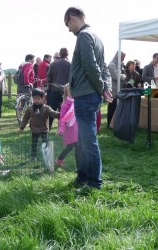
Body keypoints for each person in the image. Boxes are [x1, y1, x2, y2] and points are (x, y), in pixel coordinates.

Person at [64, 7, 113, 189]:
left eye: (68, 24)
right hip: (89, 94)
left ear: (73, 18)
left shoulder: (84, 36)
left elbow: (91, 66)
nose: (69, 29)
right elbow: (104, 68)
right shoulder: (96, 37)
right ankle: (83, 177)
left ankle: (94, 182)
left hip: (86, 95)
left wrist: (102, 88)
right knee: (83, 141)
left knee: (88, 141)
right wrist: (105, 87)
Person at [18, 88, 59, 160]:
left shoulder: (47, 108)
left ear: (43, 98)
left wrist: (62, 114)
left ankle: (46, 156)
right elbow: (25, 118)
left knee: (45, 143)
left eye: (38, 98)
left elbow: (54, 114)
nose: (36, 100)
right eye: (34, 99)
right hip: (34, 129)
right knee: (34, 144)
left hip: (44, 129)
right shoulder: (30, 109)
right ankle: (33, 156)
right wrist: (22, 127)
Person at [47, 47, 71, 129]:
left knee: (51, 110)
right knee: (65, 110)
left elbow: (49, 77)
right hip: (66, 91)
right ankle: (64, 128)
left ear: (59, 54)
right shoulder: (70, 64)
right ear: (67, 54)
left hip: (54, 90)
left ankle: (48, 127)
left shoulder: (53, 64)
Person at [56, 84, 78, 167]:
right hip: (70, 129)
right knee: (74, 147)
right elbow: (62, 118)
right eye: (70, 91)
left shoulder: (79, 103)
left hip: (78, 128)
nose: (73, 93)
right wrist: (61, 129)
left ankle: (59, 159)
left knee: (72, 147)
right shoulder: (66, 104)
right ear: (66, 93)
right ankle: (79, 166)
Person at [107, 51, 126, 128]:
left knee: (116, 107)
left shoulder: (120, 64)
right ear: (118, 56)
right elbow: (116, 76)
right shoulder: (112, 65)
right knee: (112, 107)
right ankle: (110, 123)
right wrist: (123, 76)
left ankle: (115, 123)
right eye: (122, 57)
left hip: (119, 89)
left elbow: (122, 74)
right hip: (114, 90)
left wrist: (122, 75)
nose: (123, 59)